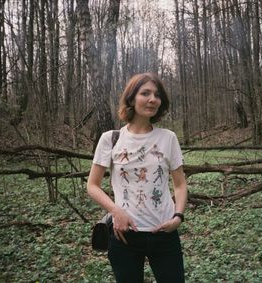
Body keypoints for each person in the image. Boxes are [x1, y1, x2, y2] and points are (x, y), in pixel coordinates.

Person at [87, 73, 187, 283]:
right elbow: (92, 185)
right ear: (131, 98)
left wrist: (178, 217)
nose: (153, 99)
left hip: (164, 232)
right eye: (145, 93)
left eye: (157, 95)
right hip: (124, 234)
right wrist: (116, 211)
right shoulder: (111, 139)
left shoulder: (168, 138)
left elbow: (179, 184)